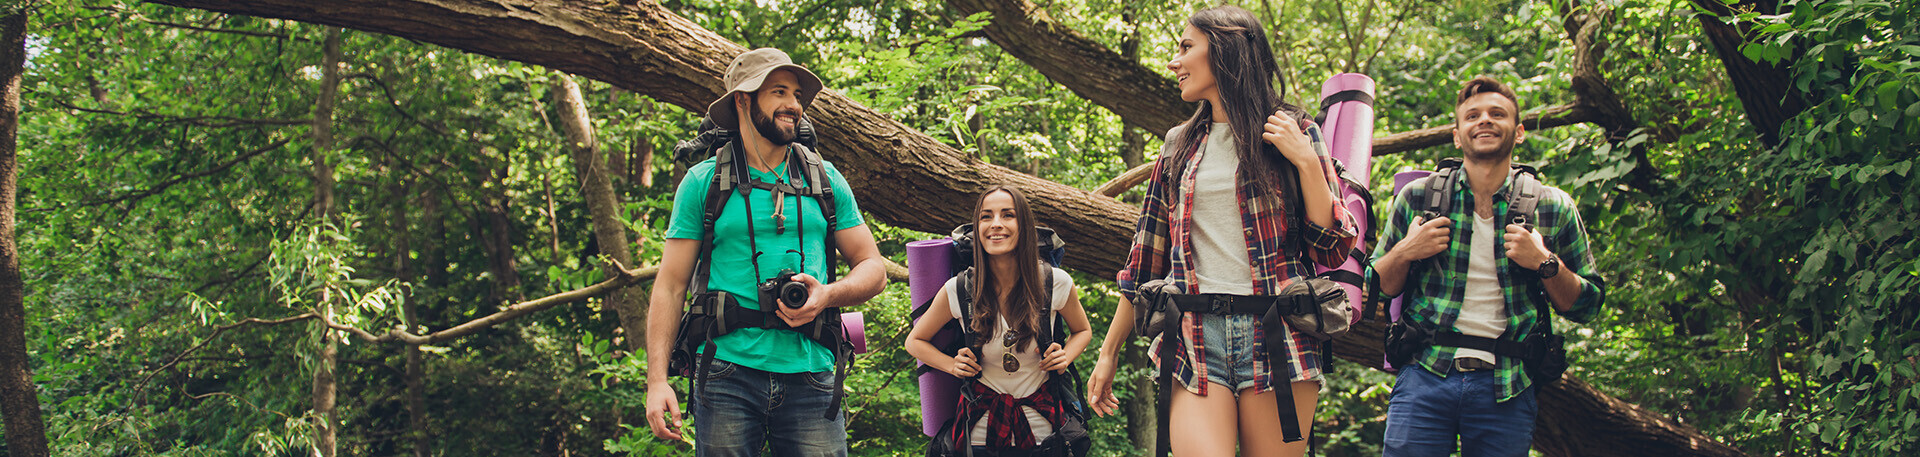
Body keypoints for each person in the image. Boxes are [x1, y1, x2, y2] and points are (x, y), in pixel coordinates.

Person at [1084, 5, 1359, 456]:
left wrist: (1307, 162)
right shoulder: (1178, 145)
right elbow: (1144, 262)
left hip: (1279, 335)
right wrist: (1108, 351)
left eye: (1186, 47)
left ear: (1225, 49)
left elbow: (1332, 247)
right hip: (1192, 335)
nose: (1174, 61)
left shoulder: (1296, 131)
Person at [643, 48, 888, 457]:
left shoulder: (825, 179)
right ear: (743, 99)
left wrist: (827, 295)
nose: (794, 104)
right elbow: (669, 286)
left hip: (811, 371)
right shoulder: (704, 182)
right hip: (725, 373)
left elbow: (873, 268)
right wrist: (656, 382)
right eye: (779, 92)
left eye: (797, 94)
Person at [1369, 76, 1605, 457]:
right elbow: (1378, 284)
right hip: (1424, 375)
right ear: (1457, 136)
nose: (1484, 121)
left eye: (1497, 114)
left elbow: (1588, 305)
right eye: (1472, 115)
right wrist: (1407, 250)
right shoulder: (1418, 197)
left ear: (1519, 132)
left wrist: (1544, 262)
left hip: (1508, 386)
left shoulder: (1553, 206)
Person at [905, 186, 1094, 454]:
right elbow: (914, 341)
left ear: (1024, 226)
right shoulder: (958, 290)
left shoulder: (1055, 283)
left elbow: (1083, 330)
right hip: (978, 437)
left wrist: (1065, 356)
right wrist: (952, 365)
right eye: (986, 216)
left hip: (1046, 436)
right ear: (977, 228)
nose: (996, 224)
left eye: (1008, 215)